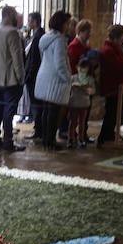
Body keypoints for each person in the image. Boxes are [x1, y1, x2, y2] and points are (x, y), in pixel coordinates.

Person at [0, 5, 25, 152]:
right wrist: (21, 78)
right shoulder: (12, 33)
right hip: (10, 80)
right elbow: (17, 59)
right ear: (9, 15)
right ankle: (8, 143)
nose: (16, 17)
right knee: (9, 112)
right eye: (15, 14)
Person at [34, 10, 72, 151]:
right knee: (53, 113)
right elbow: (60, 64)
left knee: (46, 112)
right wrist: (69, 79)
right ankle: (50, 141)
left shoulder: (46, 38)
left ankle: (46, 140)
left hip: (44, 78)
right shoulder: (60, 40)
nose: (69, 26)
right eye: (67, 23)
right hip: (55, 82)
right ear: (61, 24)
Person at [22, 12, 44, 137]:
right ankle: (38, 128)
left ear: (35, 22)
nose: (27, 23)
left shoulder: (38, 36)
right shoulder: (36, 35)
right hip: (34, 75)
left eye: (29, 20)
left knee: (36, 104)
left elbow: (34, 59)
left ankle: (38, 130)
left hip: (34, 76)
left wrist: (28, 75)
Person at [67, 55, 96, 148]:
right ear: (77, 67)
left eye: (85, 68)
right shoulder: (73, 78)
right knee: (73, 121)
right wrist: (73, 86)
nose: (82, 70)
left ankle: (81, 138)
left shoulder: (90, 79)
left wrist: (85, 89)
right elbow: (68, 88)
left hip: (84, 104)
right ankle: (71, 138)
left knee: (82, 122)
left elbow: (93, 91)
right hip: (74, 103)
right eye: (81, 68)